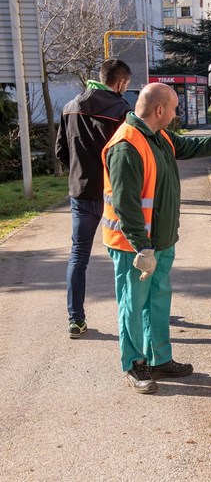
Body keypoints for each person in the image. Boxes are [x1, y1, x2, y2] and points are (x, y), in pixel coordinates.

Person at [102, 82, 211, 394]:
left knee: (158, 301)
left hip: (160, 241)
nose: (176, 114)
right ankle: (133, 364)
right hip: (135, 246)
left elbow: (191, 147)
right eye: (173, 109)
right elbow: (126, 204)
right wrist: (142, 247)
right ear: (159, 110)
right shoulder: (127, 145)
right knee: (133, 305)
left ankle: (160, 359)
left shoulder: (158, 137)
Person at [55, 59, 132, 339]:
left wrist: (78, 172)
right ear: (120, 83)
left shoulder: (69, 108)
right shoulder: (122, 110)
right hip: (115, 192)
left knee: (78, 255)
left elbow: (61, 151)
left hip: (82, 191)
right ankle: (134, 309)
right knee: (126, 253)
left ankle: (76, 319)